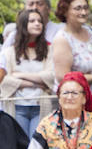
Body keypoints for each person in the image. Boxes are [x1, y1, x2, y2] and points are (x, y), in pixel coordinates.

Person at [0, 9, 56, 137]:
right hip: (18, 105)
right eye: (32, 21)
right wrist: (34, 83)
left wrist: (20, 75)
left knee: (37, 146)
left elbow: (51, 76)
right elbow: (5, 80)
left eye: (40, 21)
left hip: (40, 105)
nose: (37, 24)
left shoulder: (49, 50)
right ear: (23, 24)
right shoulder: (10, 52)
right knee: (21, 146)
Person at [51, 0, 92, 104]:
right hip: (74, 101)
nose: (83, 12)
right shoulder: (62, 39)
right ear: (65, 11)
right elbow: (63, 77)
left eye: (86, 8)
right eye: (78, 8)